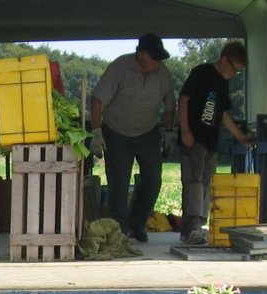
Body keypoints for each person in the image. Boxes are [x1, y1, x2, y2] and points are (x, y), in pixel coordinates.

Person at [88, 32, 175, 243]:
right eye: (154, 58)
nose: (157, 63)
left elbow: (170, 105)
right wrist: (97, 132)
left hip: (148, 132)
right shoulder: (120, 67)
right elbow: (98, 100)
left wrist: (170, 133)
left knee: (153, 178)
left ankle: (138, 223)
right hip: (116, 132)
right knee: (118, 183)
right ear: (141, 55)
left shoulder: (162, 73)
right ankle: (120, 229)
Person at [177, 40, 255, 246]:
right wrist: (184, 129)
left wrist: (239, 136)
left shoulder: (223, 83)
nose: (232, 74)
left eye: (237, 72)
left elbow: (222, 114)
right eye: (233, 69)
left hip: (211, 141)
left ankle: (200, 225)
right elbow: (184, 100)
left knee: (206, 183)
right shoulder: (201, 73)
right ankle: (189, 228)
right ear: (224, 60)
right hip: (193, 137)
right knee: (193, 181)